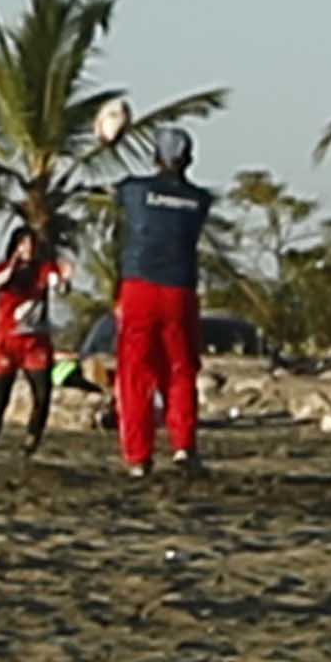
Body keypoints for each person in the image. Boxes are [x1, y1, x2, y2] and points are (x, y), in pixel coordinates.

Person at [111, 132, 216, 479]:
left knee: (136, 372)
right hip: (180, 290)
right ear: (189, 158)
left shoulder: (135, 190)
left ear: (156, 156)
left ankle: (139, 457)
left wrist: (111, 141)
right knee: (182, 368)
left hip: (139, 285)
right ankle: (184, 447)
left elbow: (121, 194)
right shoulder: (200, 200)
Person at [0, 221, 66, 452]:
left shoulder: (45, 268)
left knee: (42, 392)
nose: (28, 247)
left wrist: (62, 283)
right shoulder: (3, 269)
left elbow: (56, 283)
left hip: (34, 342)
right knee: (0, 396)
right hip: (6, 341)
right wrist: (12, 269)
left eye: (32, 243)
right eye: (24, 243)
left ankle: (32, 438)